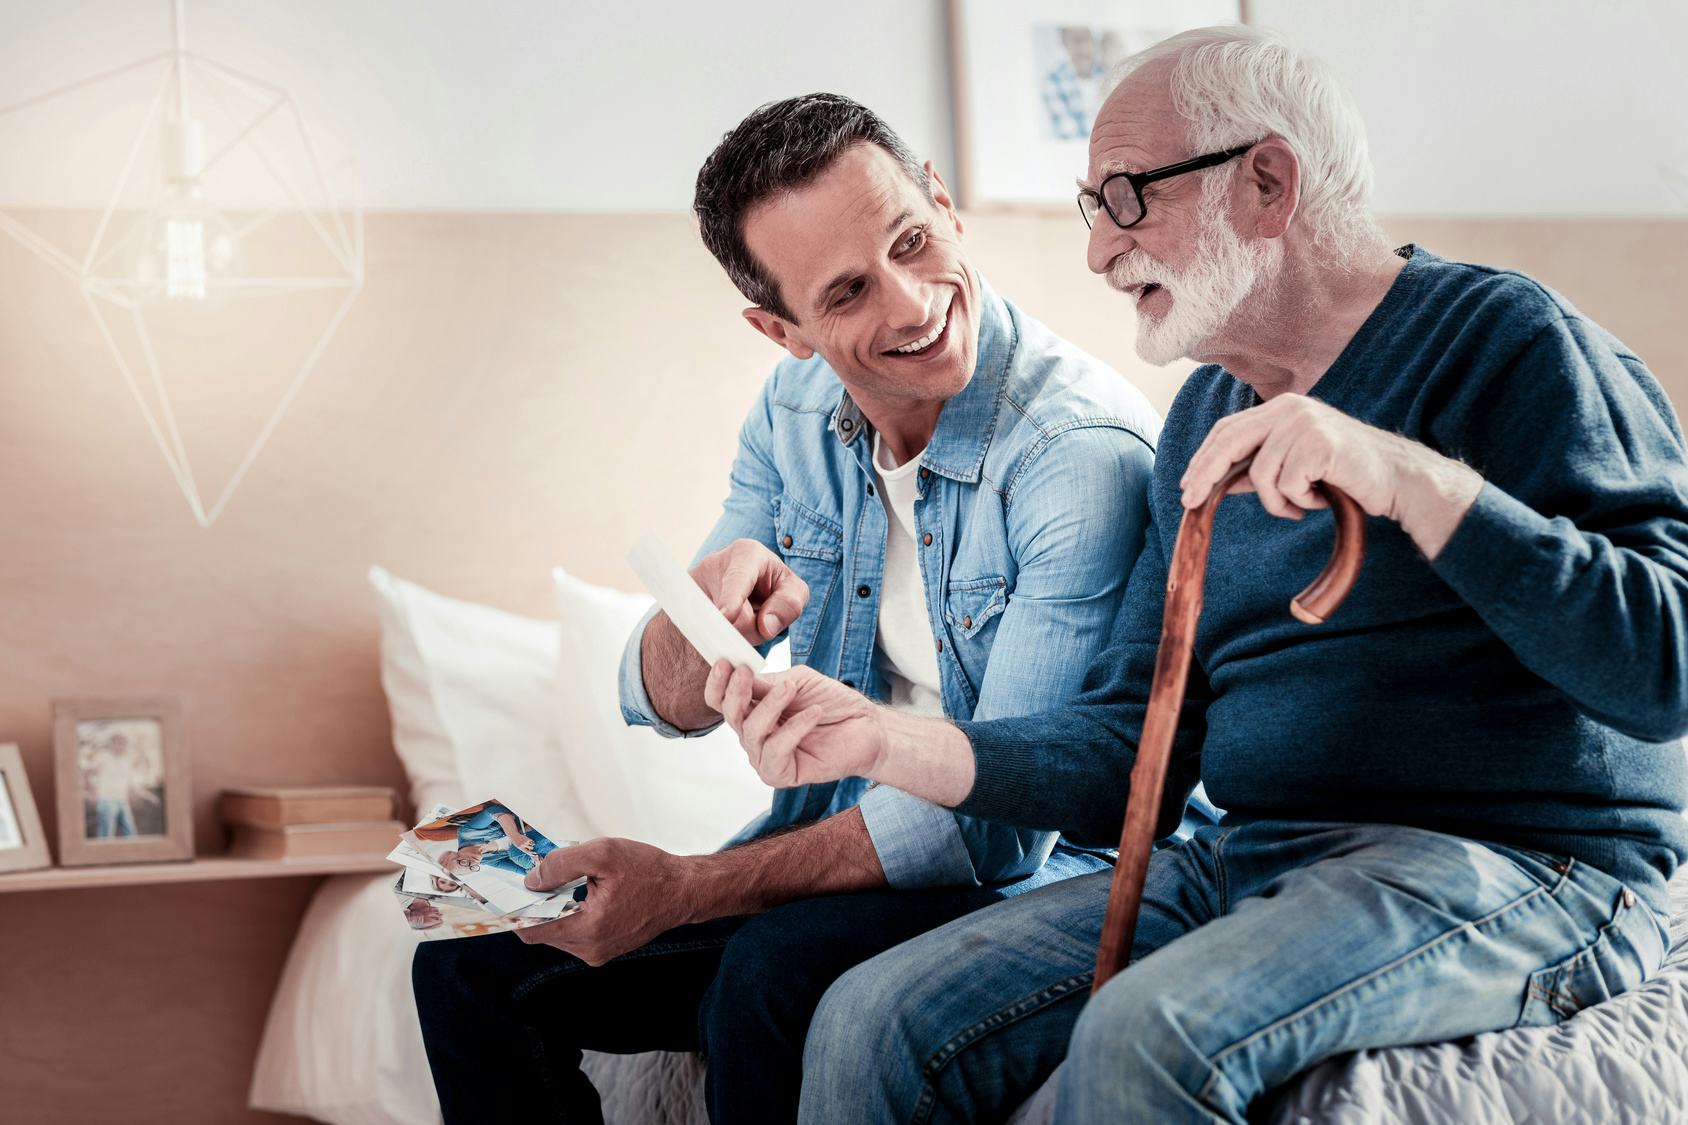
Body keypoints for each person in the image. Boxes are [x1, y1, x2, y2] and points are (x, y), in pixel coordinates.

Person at [714, 27, 1688, 1123]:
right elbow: (1126, 752)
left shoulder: (1504, 341)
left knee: (1148, 1034)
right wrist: (879, 739)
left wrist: (1413, 479)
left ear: (1267, 182)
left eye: (1126, 198)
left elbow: (1665, 668)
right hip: (1252, 855)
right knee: (869, 1017)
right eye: (1093, 208)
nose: (1097, 253)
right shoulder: (1203, 420)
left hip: (1518, 865)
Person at [412, 92, 1214, 1125]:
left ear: (942, 202)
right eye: (845, 293)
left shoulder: (1072, 456)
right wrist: (693, 623)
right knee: (465, 970)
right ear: (779, 329)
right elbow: (656, 700)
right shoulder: (791, 416)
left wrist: (691, 887)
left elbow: (1003, 832)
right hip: (843, 837)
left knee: (768, 977)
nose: (912, 304)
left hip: (1039, 869)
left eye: (912, 242)